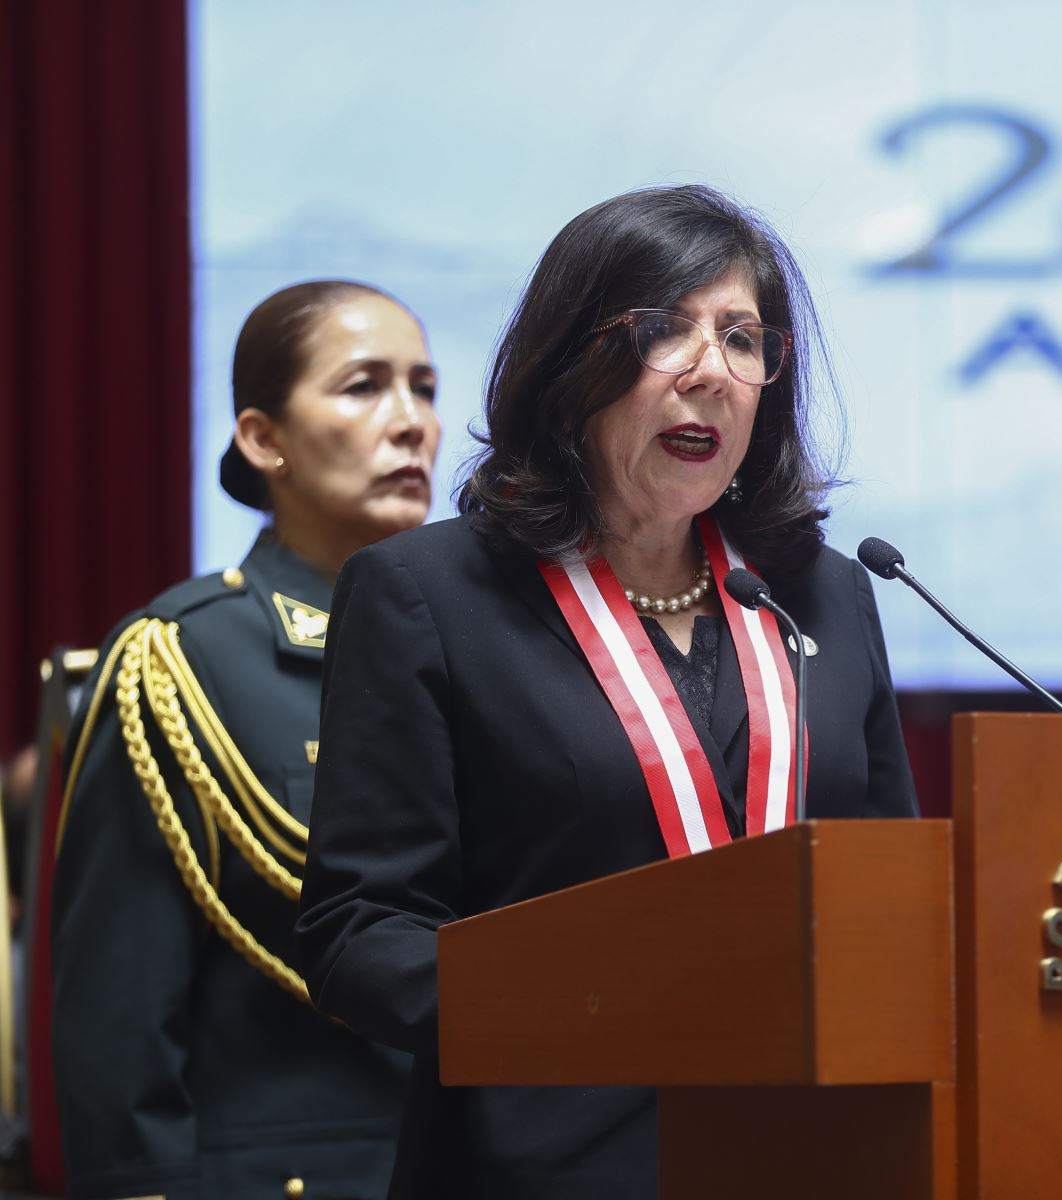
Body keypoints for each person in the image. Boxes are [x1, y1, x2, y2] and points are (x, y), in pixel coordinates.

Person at [295, 185, 918, 1198]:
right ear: (571, 361)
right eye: (667, 330)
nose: (713, 373)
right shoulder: (425, 595)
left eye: (744, 339)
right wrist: (593, 999)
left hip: (810, 1155)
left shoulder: (828, 593)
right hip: (544, 1162)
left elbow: (897, 904)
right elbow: (360, 935)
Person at [52, 280, 441, 1199]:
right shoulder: (182, 661)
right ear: (264, 438)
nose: (410, 421)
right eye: (363, 386)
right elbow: (121, 1009)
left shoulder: (472, 648)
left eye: (423, 387)